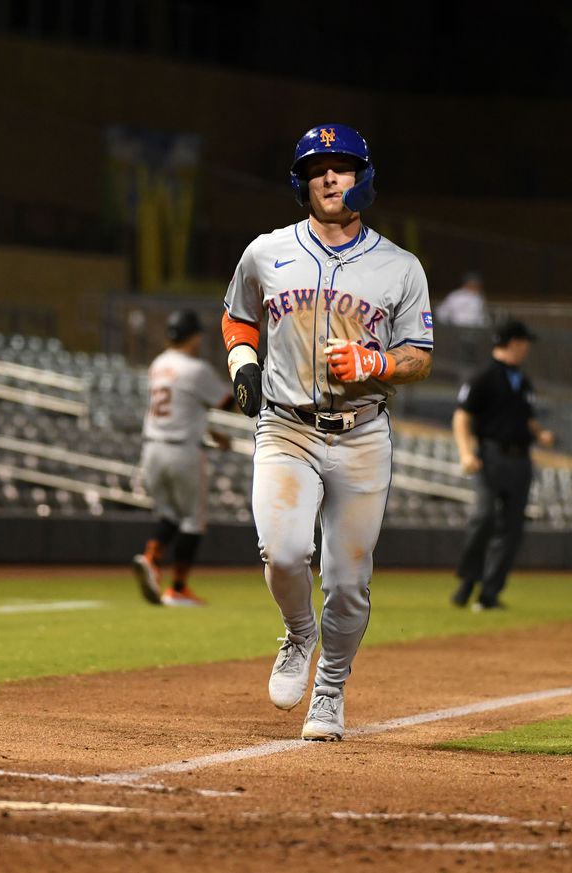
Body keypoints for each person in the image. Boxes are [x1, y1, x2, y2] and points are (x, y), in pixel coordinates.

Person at [221, 123, 433, 741]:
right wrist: (244, 366)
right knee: (284, 553)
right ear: (302, 183)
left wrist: (379, 363)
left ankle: (330, 691)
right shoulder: (266, 252)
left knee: (348, 581)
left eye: (340, 166)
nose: (329, 177)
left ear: (362, 176)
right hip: (285, 427)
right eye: (317, 169)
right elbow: (238, 316)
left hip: (362, 434)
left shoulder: (399, 266)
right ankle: (298, 633)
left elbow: (420, 356)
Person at [131, 308, 233, 607]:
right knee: (192, 521)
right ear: (194, 336)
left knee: (170, 515)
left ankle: (150, 559)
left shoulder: (158, 364)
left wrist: (209, 428)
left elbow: (184, 406)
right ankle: (177, 588)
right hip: (183, 451)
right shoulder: (195, 369)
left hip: (152, 449)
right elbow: (228, 402)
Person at [450, 320, 554, 611]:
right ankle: (469, 579)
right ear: (514, 343)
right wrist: (466, 453)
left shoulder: (522, 381)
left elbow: (527, 416)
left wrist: (540, 433)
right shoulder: (483, 377)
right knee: (484, 517)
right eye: (524, 342)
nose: (527, 348)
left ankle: (490, 594)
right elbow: (461, 417)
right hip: (491, 455)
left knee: (512, 527)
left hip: (521, 458)